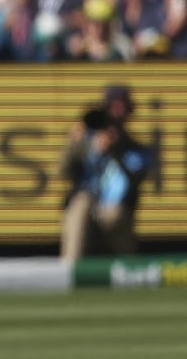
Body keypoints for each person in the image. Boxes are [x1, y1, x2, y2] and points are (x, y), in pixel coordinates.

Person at [59, 105, 151, 261]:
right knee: (81, 206)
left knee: (113, 215)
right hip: (86, 202)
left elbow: (136, 175)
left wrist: (114, 152)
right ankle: (70, 268)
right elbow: (63, 172)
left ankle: (130, 270)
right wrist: (73, 144)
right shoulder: (83, 148)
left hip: (113, 205)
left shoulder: (132, 148)